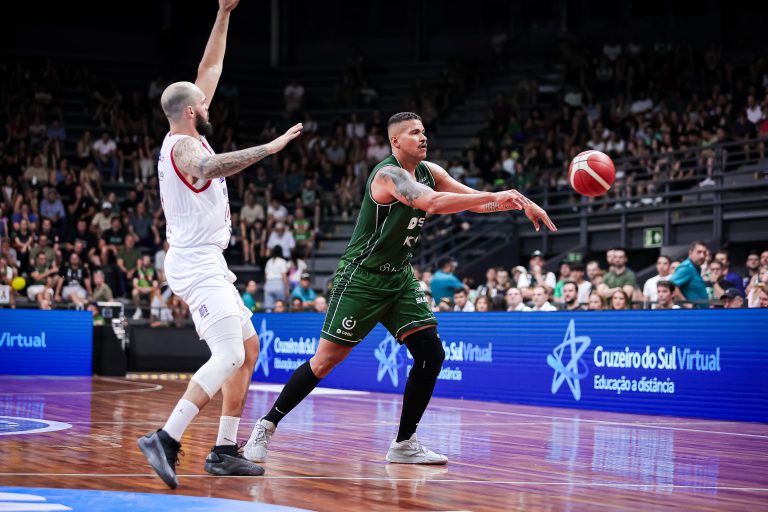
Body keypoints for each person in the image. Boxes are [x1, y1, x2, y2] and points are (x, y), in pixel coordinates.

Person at [243, 111, 555, 467]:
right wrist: (499, 194)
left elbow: (478, 201)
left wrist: (519, 201)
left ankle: (404, 443)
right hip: (361, 277)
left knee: (431, 354)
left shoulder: (431, 171)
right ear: (395, 141)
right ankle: (265, 426)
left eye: (424, 131)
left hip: (399, 278)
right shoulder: (388, 175)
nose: (423, 137)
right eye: (414, 133)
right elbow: (432, 203)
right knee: (325, 361)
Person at [137, 0, 303, 489]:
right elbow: (207, 167)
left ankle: (225, 450)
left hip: (205, 257)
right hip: (195, 262)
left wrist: (223, 13)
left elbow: (209, 68)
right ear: (191, 112)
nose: (210, 107)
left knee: (248, 350)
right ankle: (166, 437)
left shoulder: (187, 126)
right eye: (204, 105)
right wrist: (269, 148)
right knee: (229, 354)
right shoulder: (184, 146)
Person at [669, 241, 709, 308]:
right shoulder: (687, 267)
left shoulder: (696, 267)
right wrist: (686, 304)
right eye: (699, 252)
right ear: (690, 253)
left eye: (704, 253)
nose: (702, 256)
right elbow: (671, 285)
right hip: (691, 312)